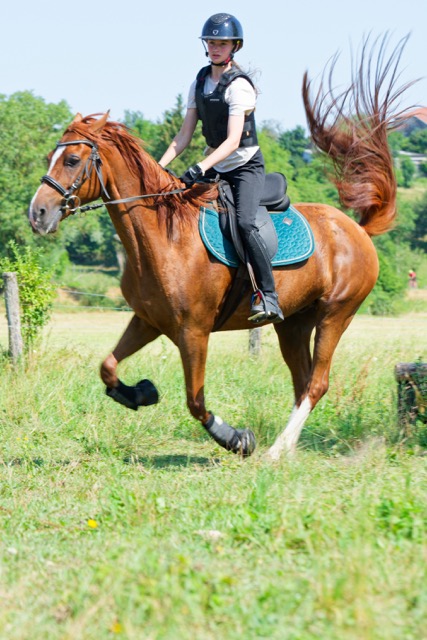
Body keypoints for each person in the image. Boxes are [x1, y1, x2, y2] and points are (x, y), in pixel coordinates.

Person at [158, 12, 284, 324]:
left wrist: (199, 167)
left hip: (243, 167)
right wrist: (157, 168)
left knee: (243, 223)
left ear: (234, 46)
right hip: (214, 165)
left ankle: (268, 295)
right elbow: (184, 135)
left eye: (222, 43)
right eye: (211, 42)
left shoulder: (239, 86)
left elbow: (231, 142)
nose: (215, 47)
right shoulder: (199, 82)